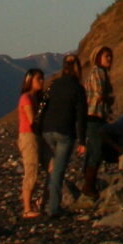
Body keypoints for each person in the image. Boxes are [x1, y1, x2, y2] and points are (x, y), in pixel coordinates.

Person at [37, 55, 88, 218]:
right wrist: (82, 140)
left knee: (51, 170)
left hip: (47, 130)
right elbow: (81, 116)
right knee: (58, 171)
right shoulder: (78, 89)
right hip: (65, 132)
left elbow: (45, 107)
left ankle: (42, 203)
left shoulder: (54, 85)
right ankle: (53, 208)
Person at [80, 44, 115, 197]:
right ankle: (89, 185)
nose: (110, 59)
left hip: (95, 116)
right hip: (95, 115)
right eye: (106, 56)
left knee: (94, 149)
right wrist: (109, 99)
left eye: (110, 56)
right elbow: (99, 94)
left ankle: (89, 183)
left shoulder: (100, 73)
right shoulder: (99, 73)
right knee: (96, 150)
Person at [13, 68, 46, 218]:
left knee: (52, 167)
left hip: (37, 136)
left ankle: (41, 200)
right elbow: (32, 120)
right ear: (30, 81)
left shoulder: (37, 99)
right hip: (29, 136)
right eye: (38, 78)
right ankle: (27, 208)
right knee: (31, 170)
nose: (41, 81)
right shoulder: (26, 99)